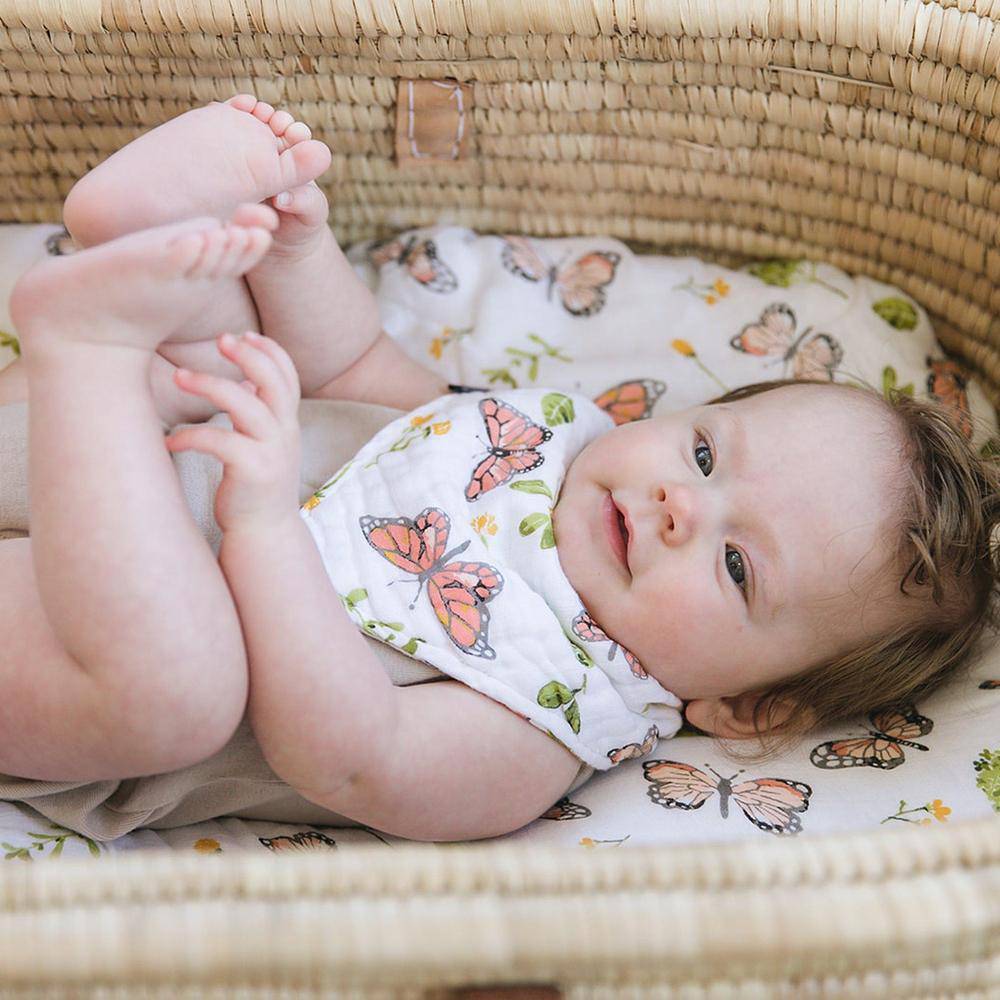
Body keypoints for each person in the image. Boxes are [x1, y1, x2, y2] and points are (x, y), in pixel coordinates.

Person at [0, 97, 995, 843]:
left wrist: (262, 525)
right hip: (91, 458)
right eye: (701, 454)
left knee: (183, 694)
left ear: (746, 708)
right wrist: (297, 252)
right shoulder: (533, 443)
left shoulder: (551, 722)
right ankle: (139, 229)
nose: (676, 506)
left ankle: (87, 347)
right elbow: (348, 364)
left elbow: (347, 750)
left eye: (736, 566)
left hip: (70, 660)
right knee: (228, 361)